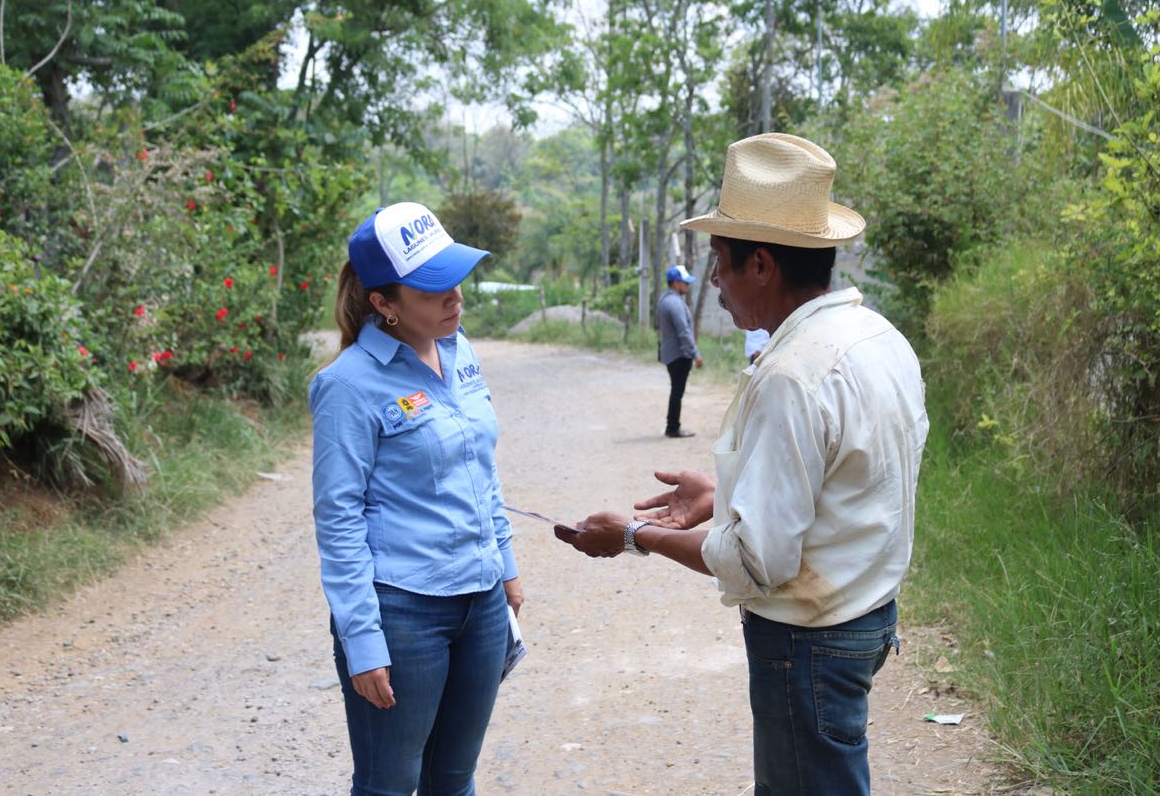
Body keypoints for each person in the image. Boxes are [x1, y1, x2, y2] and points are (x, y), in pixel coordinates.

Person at [555, 134, 928, 795]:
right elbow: (845, 484)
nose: (714, 285)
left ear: (761, 263)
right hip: (868, 619)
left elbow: (759, 561)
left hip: (808, 644)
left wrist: (634, 537)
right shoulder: (877, 337)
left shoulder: (790, 374)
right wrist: (726, 489)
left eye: (720, 264)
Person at [310, 200, 523, 796]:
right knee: (388, 784)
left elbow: (480, 466)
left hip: (479, 604)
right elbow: (338, 518)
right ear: (383, 303)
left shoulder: (460, 351)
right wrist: (362, 640)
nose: (454, 297)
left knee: (454, 780)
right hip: (402, 613)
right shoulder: (348, 386)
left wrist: (504, 565)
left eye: (455, 279)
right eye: (432, 289)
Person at [657, 263, 703, 438]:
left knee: (676, 391)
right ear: (676, 283)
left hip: (671, 354)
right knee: (677, 392)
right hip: (679, 355)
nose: (688, 286)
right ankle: (673, 427)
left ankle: (672, 425)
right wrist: (695, 354)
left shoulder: (665, 300)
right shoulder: (674, 303)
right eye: (685, 282)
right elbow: (683, 332)